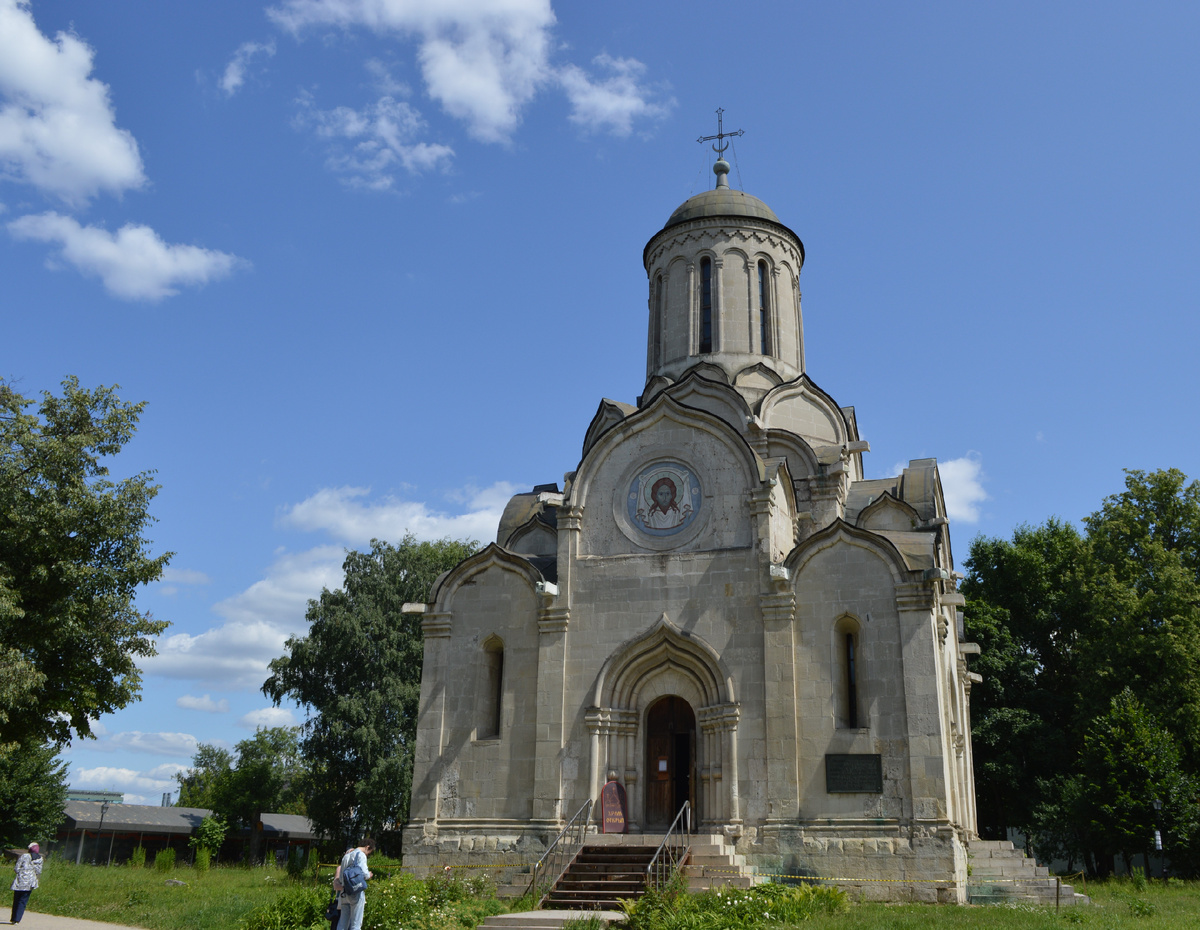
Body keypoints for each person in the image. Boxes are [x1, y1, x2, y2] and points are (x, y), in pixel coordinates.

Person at [333, 838, 375, 930]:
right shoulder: (361, 855)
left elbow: (341, 875)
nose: (367, 854)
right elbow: (364, 874)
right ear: (367, 847)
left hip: (344, 892)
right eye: (369, 852)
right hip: (355, 891)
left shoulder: (346, 856)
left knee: (342, 923)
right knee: (356, 924)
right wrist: (369, 875)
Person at [10, 842, 42, 925]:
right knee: (23, 901)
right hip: (30, 883)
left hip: (20, 881)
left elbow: (16, 868)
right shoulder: (40, 858)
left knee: (16, 900)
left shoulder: (24, 856)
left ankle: (13, 918)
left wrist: (21, 872)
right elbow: (38, 871)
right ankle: (17, 920)